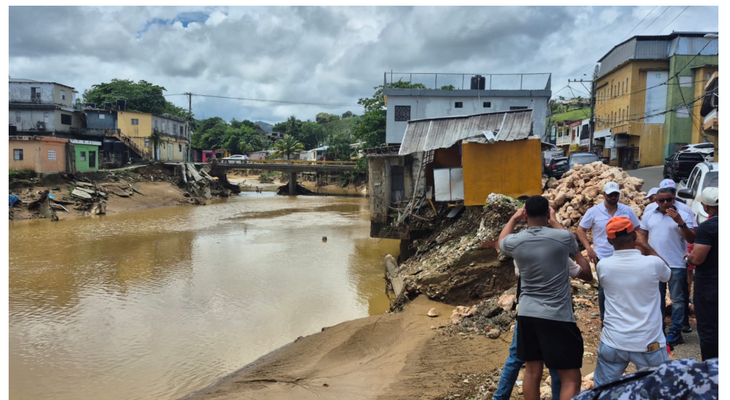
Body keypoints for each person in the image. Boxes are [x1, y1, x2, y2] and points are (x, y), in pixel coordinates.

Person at [494, 210, 593, 400]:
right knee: (563, 370)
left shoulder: (520, 249)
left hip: (528, 313)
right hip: (557, 316)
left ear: (525, 216)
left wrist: (514, 218)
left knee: (525, 365)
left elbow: (502, 242)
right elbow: (585, 273)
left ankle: (500, 397)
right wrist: (555, 222)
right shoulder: (559, 250)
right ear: (548, 217)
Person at [593, 216, 671, 387]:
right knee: (658, 391)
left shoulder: (603, 266)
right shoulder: (653, 263)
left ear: (609, 241)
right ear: (635, 236)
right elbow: (667, 274)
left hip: (613, 341)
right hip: (649, 342)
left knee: (603, 392)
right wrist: (646, 246)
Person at [639, 187, 696, 347]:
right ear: (656, 200)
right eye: (661, 200)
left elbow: (691, 239)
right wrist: (642, 258)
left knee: (678, 300)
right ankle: (659, 331)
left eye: (669, 199)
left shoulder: (683, 214)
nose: (665, 203)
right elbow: (642, 238)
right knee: (656, 299)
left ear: (674, 198)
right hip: (654, 264)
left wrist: (680, 222)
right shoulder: (649, 214)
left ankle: (676, 332)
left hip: (676, 263)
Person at [576, 181, 640, 322]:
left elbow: (637, 229)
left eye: (616, 194)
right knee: (604, 288)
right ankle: (606, 320)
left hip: (625, 255)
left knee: (625, 286)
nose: (613, 197)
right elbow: (580, 230)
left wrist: (638, 248)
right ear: (604, 194)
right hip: (602, 256)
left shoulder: (627, 210)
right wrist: (589, 248)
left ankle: (624, 318)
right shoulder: (593, 212)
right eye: (610, 195)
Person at [686, 187, 718, 360]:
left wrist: (689, 257)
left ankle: (713, 370)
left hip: (710, 288)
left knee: (709, 331)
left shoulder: (708, 228)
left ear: (706, 206)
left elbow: (698, 259)